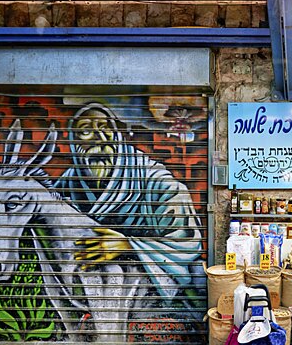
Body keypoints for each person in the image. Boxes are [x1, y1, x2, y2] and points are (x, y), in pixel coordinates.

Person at [52, 104, 204, 319]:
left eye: (106, 130)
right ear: (73, 143)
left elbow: (188, 244)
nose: (100, 140)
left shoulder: (159, 185)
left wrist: (128, 244)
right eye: (86, 131)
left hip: (156, 303)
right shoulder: (67, 186)